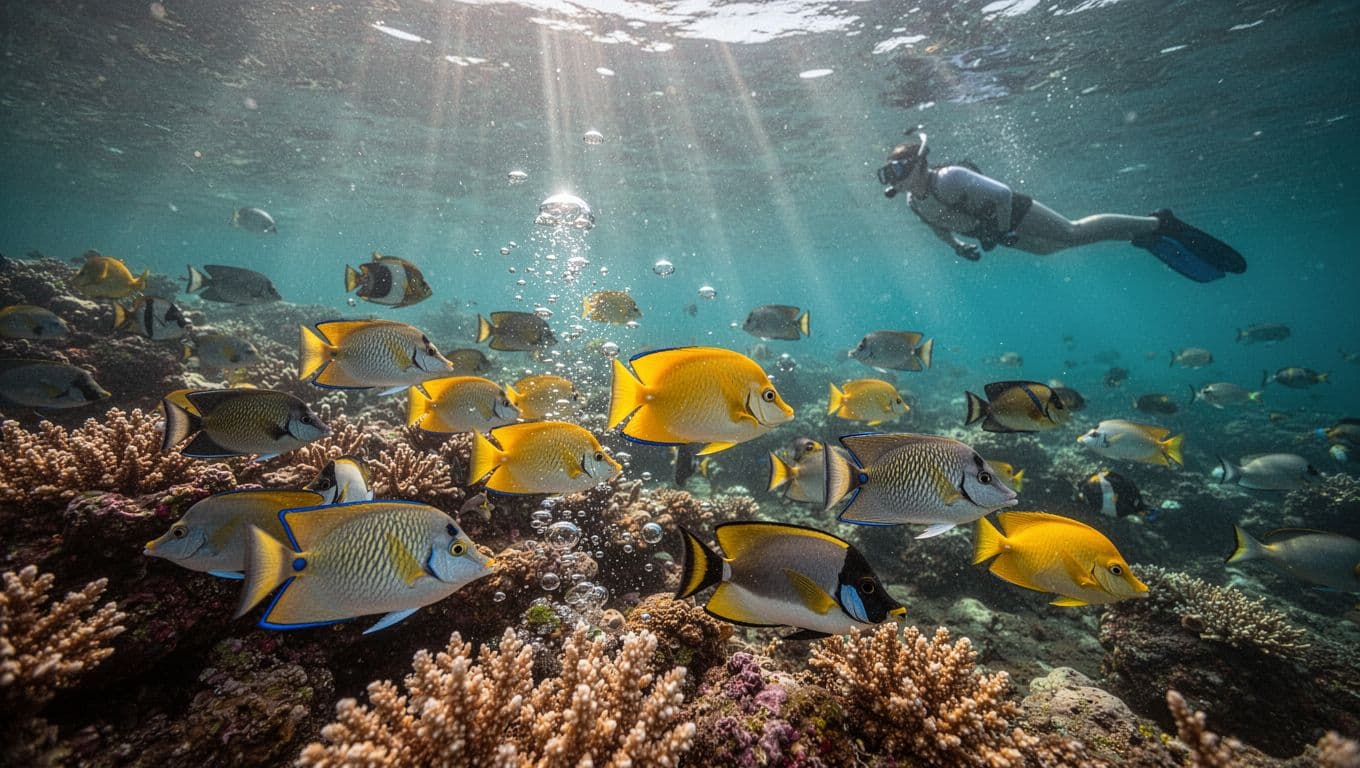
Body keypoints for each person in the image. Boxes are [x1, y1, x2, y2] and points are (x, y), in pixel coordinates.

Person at [876, 133, 1246, 282]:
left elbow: (1003, 194)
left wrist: (1001, 228)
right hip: (996, 231)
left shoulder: (950, 178)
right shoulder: (913, 202)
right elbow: (937, 226)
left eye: (899, 169)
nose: (895, 178)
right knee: (1049, 250)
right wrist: (957, 246)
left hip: (1012, 214)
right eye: (890, 173)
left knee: (1071, 232)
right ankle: (1137, 234)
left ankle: (1157, 223)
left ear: (920, 163)